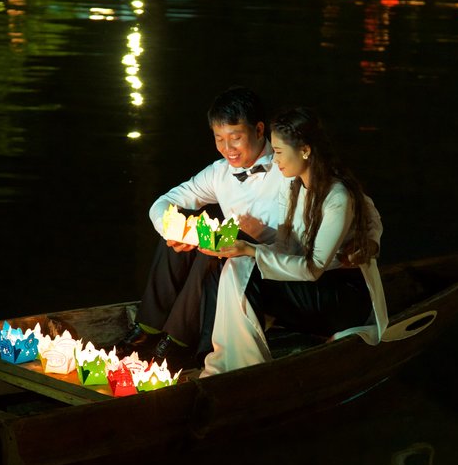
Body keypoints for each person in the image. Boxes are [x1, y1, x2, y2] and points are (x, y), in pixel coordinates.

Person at [199, 105, 388, 376]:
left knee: (246, 268)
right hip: (307, 284)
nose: (274, 161)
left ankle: (244, 370)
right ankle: (221, 356)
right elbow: (284, 247)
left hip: (339, 297)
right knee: (230, 264)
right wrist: (244, 250)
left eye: (277, 152)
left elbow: (313, 268)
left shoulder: (338, 197)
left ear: (305, 150)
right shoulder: (293, 185)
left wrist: (371, 243)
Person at [114, 86, 290, 368]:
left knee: (218, 243)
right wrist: (174, 231)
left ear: (259, 130)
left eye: (235, 138)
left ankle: (178, 341)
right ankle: (148, 328)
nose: (227, 149)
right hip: (224, 262)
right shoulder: (220, 172)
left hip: (267, 272)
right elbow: (164, 201)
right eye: (219, 138)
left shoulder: (287, 168)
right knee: (180, 223)